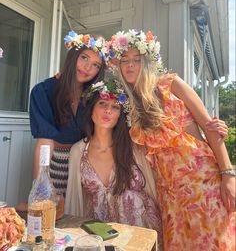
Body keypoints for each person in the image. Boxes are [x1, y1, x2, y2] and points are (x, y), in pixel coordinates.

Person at [109, 29, 235, 250]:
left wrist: (228, 174)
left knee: (213, 242)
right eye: (124, 60)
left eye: (136, 60)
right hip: (170, 193)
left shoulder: (170, 83)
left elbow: (210, 127)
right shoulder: (127, 103)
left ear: (146, 62)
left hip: (202, 181)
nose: (130, 65)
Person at [65, 77, 164, 250]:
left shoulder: (135, 148)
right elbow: (75, 200)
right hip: (100, 235)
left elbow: (155, 188)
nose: (108, 111)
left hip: (140, 232)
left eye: (115, 107)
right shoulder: (78, 152)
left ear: (120, 115)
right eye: (102, 103)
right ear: (91, 110)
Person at [30, 31, 111, 196]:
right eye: (84, 58)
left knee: (85, 217)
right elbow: (45, 142)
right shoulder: (44, 91)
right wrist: (40, 183)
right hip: (55, 163)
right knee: (52, 212)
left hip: (89, 165)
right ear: (74, 56)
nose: (88, 68)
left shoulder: (97, 97)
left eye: (96, 64)